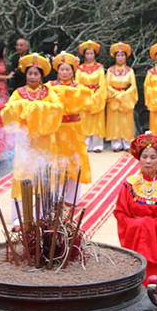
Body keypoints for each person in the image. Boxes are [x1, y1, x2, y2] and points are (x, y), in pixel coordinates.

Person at [114, 132, 157, 282]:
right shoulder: (130, 184)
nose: (148, 161)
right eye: (144, 157)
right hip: (136, 238)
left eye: (153, 157)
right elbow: (120, 212)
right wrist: (139, 225)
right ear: (138, 159)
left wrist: (153, 226)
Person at [0, 53, 63, 205]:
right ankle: (20, 215)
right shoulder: (18, 93)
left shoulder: (49, 92)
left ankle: (45, 214)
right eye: (30, 73)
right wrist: (23, 105)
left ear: (41, 76)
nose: (32, 77)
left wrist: (33, 106)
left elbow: (58, 108)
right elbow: (7, 110)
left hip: (45, 139)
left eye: (36, 74)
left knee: (45, 173)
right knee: (23, 173)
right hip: (25, 139)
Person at [49, 52, 92, 203]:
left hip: (73, 128)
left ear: (73, 71)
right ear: (57, 71)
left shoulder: (79, 87)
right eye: (62, 69)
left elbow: (85, 98)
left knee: (75, 161)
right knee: (57, 161)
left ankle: (72, 197)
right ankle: (56, 196)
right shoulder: (50, 86)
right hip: (57, 128)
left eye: (68, 69)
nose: (65, 72)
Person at [76, 40, 107, 153]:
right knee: (85, 120)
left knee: (97, 120)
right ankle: (86, 144)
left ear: (95, 54)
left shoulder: (99, 67)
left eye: (91, 53)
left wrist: (97, 94)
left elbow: (102, 83)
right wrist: (85, 94)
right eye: (87, 53)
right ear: (84, 55)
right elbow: (77, 83)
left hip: (97, 95)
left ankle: (97, 145)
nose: (89, 56)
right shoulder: (80, 68)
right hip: (84, 96)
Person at [106, 42, 138, 151]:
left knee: (126, 121)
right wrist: (116, 95)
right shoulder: (110, 71)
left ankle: (127, 143)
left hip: (126, 98)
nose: (120, 58)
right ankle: (116, 144)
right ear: (115, 57)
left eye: (122, 55)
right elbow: (107, 85)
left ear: (126, 57)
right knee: (114, 121)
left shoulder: (130, 71)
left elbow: (133, 87)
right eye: (118, 55)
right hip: (114, 98)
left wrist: (123, 95)